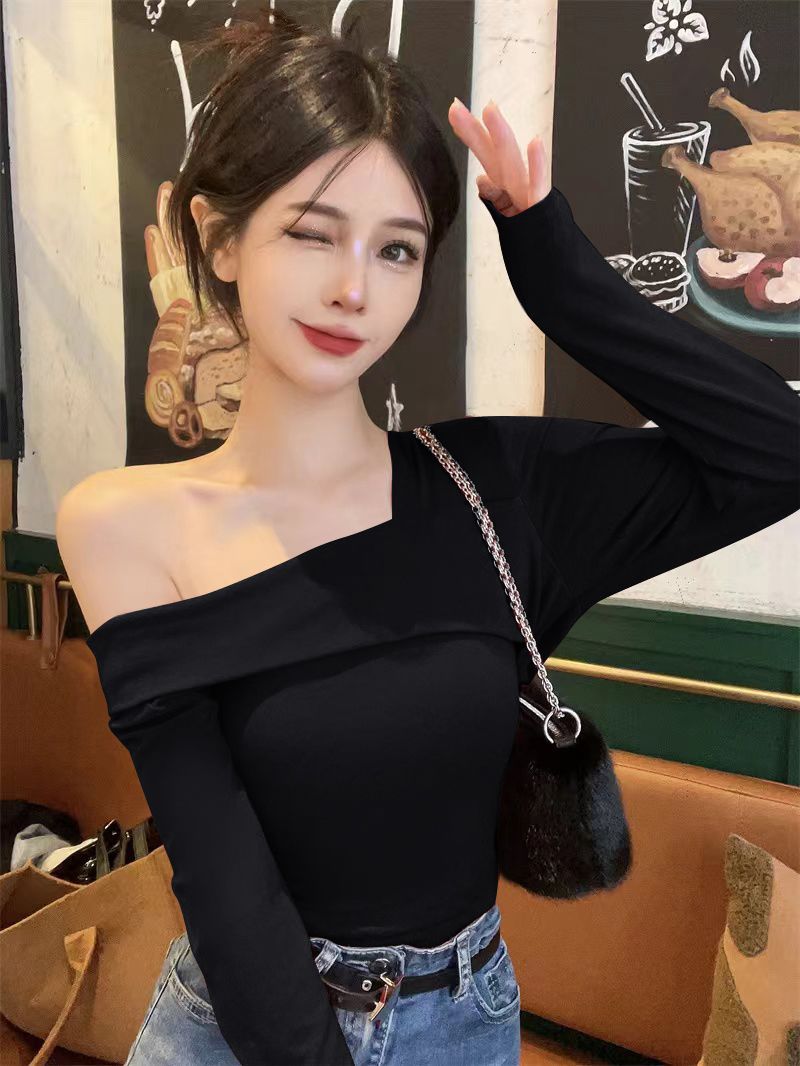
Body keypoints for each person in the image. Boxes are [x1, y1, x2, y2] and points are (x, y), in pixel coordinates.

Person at [56, 10, 799, 1066]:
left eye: (396, 248)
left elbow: (775, 450)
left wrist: (554, 268)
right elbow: (222, 878)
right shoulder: (126, 525)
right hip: (239, 1026)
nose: (354, 287)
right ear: (220, 239)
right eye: (312, 232)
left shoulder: (497, 492)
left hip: (464, 1021)